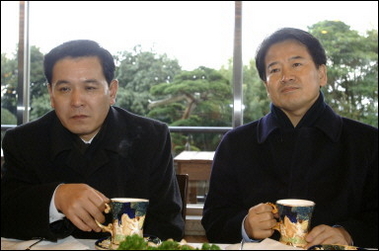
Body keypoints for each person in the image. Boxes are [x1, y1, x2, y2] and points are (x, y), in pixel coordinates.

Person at [201, 28, 378, 248]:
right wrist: (245, 226)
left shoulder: (368, 142)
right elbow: (213, 220)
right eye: (274, 69)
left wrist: (348, 233)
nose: (286, 77)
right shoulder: (236, 144)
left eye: (296, 64)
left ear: (321, 74)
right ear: (266, 85)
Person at [1, 39, 185, 242]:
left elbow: (169, 226)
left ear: (112, 91)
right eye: (64, 89)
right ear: (51, 95)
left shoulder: (150, 138)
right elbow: (7, 214)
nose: (77, 101)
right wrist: (56, 197)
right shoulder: (23, 141)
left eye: (89, 88)